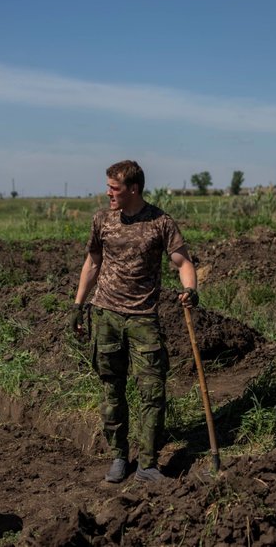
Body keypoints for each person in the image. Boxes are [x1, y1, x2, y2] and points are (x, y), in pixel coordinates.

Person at [69, 160, 198, 484]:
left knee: (152, 392)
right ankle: (118, 457)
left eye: (114, 188)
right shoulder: (102, 219)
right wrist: (77, 304)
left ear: (133, 189)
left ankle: (148, 465)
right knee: (111, 391)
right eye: (109, 186)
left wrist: (190, 289)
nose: (108, 192)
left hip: (143, 320)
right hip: (106, 316)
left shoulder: (160, 223)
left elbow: (182, 261)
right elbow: (93, 262)